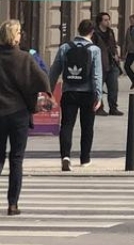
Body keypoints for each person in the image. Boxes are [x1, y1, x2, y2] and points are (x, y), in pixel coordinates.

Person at [0, 19, 51, 215]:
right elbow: (42, 78)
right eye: (19, 32)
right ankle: (13, 204)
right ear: (15, 36)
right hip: (18, 113)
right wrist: (45, 96)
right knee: (16, 158)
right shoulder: (24, 58)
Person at [49, 19, 104, 171]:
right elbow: (97, 75)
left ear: (78, 30)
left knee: (67, 125)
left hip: (69, 92)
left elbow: (54, 71)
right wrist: (98, 96)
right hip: (88, 93)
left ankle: (65, 156)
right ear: (92, 32)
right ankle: (85, 158)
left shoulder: (65, 47)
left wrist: (49, 91)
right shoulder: (94, 50)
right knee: (87, 126)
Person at [91, 12, 123, 115]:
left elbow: (113, 45)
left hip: (112, 63)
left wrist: (116, 55)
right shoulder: (95, 33)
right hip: (100, 64)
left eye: (108, 19)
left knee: (113, 88)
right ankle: (99, 108)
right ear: (100, 21)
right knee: (98, 88)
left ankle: (113, 108)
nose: (108, 22)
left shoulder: (110, 32)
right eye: (105, 20)